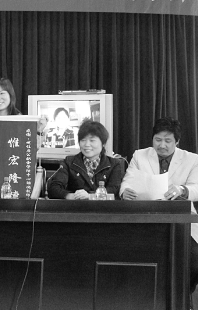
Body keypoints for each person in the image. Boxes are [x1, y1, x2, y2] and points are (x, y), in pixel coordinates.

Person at [119, 117, 198, 295]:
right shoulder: (140, 155)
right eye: (158, 140)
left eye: (167, 141)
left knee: (194, 260)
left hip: (181, 219)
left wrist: (182, 189)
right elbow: (128, 180)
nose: (162, 145)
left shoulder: (192, 159)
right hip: (146, 216)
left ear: (177, 141)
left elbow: (196, 188)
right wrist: (125, 191)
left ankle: (183, 296)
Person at [47, 119, 122, 199]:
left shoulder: (113, 164)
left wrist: (90, 197)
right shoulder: (69, 162)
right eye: (83, 140)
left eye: (92, 140)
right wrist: (71, 196)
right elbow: (54, 188)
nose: (87, 144)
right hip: (76, 205)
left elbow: (114, 191)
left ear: (103, 143)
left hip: (103, 206)